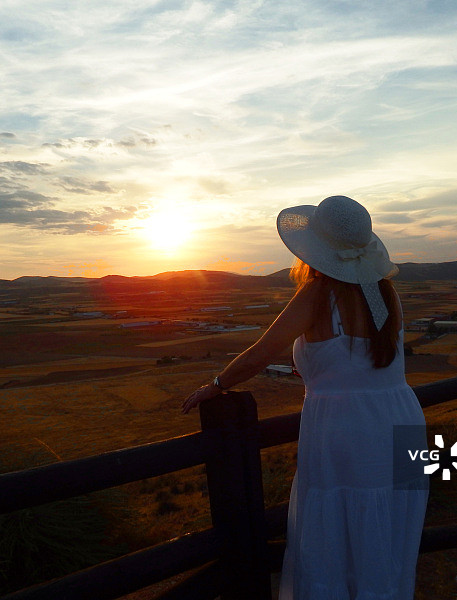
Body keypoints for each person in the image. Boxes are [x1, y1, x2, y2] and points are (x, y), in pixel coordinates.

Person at [181, 195, 428, 599]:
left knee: (335, 525)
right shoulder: (386, 294)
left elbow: (264, 351)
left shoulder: (317, 295)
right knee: (391, 525)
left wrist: (218, 384)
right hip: (403, 417)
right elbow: (370, 362)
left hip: (347, 425)